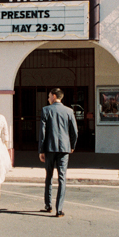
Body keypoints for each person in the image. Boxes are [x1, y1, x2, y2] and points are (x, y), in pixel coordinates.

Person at [39, 88, 78, 218]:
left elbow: (42, 132)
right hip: (64, 148)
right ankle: (59, 209)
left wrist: (41, 150)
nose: (48, 99)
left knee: (49, 176)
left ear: (54, 96)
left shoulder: (46, 110)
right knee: (62, 178)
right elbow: (75, 132)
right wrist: (72, 145)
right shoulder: (69, 111)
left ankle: (48, 205)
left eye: (49, 96)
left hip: (50, 148)